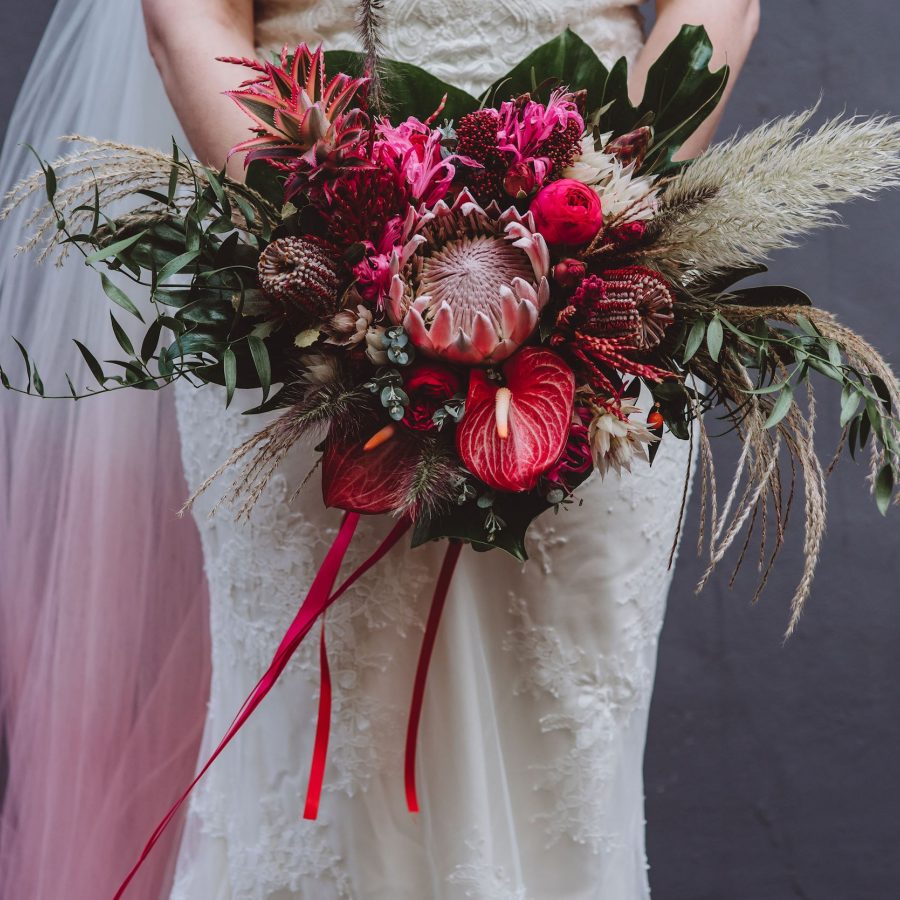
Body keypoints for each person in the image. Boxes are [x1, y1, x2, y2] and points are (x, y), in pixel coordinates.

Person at [0, 1, 758, 898]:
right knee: (323, 763)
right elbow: (187, 20)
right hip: (307, 281)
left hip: (596, 269)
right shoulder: (313, 267)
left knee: (561, 743)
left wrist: (597, 228)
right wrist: (329, 257)